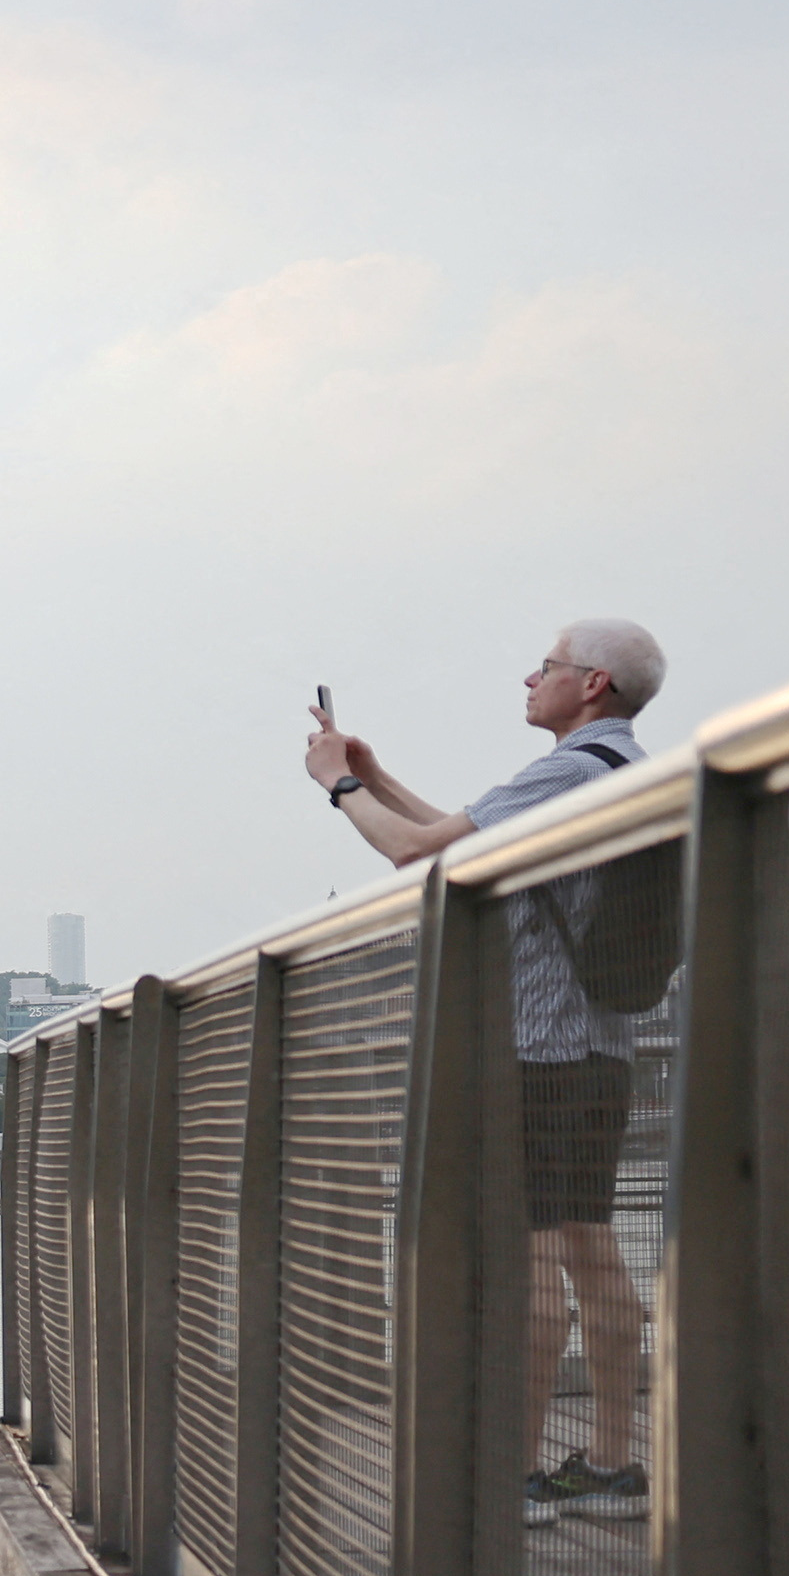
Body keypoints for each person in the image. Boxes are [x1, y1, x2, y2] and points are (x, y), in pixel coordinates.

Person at [302, 620, 668, 1525]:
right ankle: (613, 1464)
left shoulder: (568, 768)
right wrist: (376, 773)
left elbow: (412, 854)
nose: (528, 677)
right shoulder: (627, 769)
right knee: (589, 1243)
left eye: (544, 667)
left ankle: (514, 1475)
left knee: (536, 1260)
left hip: (538, 1050)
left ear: (591, 685)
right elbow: (463, 836)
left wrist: (338, 786)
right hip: (604, 1050)